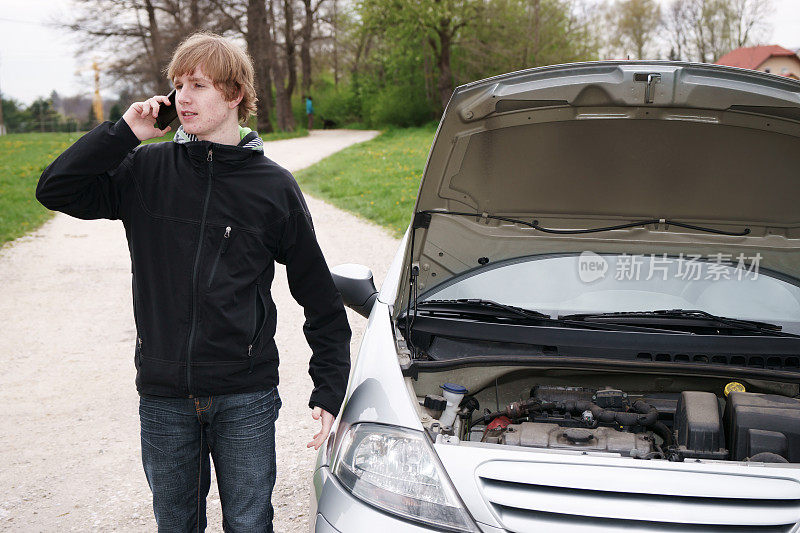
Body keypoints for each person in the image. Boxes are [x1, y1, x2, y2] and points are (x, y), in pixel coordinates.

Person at [35, 32, 351, 533]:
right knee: (175, 525)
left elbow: (320, 297)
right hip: (164, 396)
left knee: (250, 524)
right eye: (178, 84)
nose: (183, 96)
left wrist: (329, 389)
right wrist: (124, 132)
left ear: (235, 96)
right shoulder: (145, 169)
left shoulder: (273, 187)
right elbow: (55, 189)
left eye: (199, 84)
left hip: (244, 395)